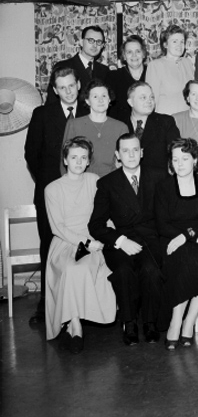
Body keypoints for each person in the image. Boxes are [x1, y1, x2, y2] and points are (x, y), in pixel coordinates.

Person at [24, 67, 89, 326]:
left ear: (78, 84)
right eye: (62, 87)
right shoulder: (41, 114)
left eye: (71, 85)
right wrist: (51, 185)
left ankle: (84, 305)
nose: (68, 91)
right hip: (51, 193)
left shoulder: (90, 110)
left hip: (83, 194)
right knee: (49, 246)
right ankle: (46, 305)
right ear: (54, 90)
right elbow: (32, 154)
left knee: (84, 246)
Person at [88, 133, 166, 345]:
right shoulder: (107, 183)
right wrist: (121, 241)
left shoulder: (158, 176)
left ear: (142, 152)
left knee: (150, 270)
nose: (131, 155)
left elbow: (167, 214)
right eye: (125, 151)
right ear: (117, 155)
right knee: (123, 271)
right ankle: (129, 323)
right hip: (120, 241)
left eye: (135, 150)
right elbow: (95, 225)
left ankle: (149, 323)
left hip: (150, 240)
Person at [44, 137, 117, 353]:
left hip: (93, 239)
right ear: (65, 160)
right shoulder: (52, 189)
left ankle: (73, 326)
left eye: (83, 158)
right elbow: (57, 227)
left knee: (82, 268)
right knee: (69, 268)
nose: (78, 162)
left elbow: (104, 213)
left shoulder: (94, 181)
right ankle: (75, 324)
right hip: (65, 242)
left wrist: (107, 236)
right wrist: (85, 243)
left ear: (88, 161)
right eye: (74, 157)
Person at [155, 138, 198, 349]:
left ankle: (190, 319)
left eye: (184, 158)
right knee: (184, 261)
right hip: (171, 239)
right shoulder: (163, 187)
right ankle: (176, 320)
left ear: (195, 160)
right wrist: (186, 237)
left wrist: (188, 236)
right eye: (175, 159)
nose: (180, 164)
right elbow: (162, 224)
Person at [63, 79, 128, 177]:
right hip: (81, 180)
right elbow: (64, 159)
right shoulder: (74, 124)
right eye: (95, 96)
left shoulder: (121, 127)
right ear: (87, 101)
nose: (100, 100)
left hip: (111, 180)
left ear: (109, 99)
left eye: (104, 96)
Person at [45, 25, 109, 105]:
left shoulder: (105, 70)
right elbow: (52, 102)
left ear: (102, 46)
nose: (95, 45)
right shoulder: (63, 66)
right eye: (90, 40)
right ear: (81, 42)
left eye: (99, 42)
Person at [125, 81, 181, 173]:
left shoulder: (165, 122)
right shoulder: (120, 124)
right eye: (143, 97)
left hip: (159, 179)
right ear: (130, 102)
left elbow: (176, 153)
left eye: (152, 97)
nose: (149, 101)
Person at [145, 24, 194, 114]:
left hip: (187, 118)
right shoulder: (155, 66)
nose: (179, 45)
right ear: (165, 44)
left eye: (182, 42)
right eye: (175, 41)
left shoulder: (188, 63)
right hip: (166, 118)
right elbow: (151, 100)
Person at [109, 34, 148, 122]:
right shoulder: (114, 77)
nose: (134, 55)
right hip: (122, 125)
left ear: (143, 54)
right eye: (129, 52)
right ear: (124, 56)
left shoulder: (152, 73)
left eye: (138, 51)